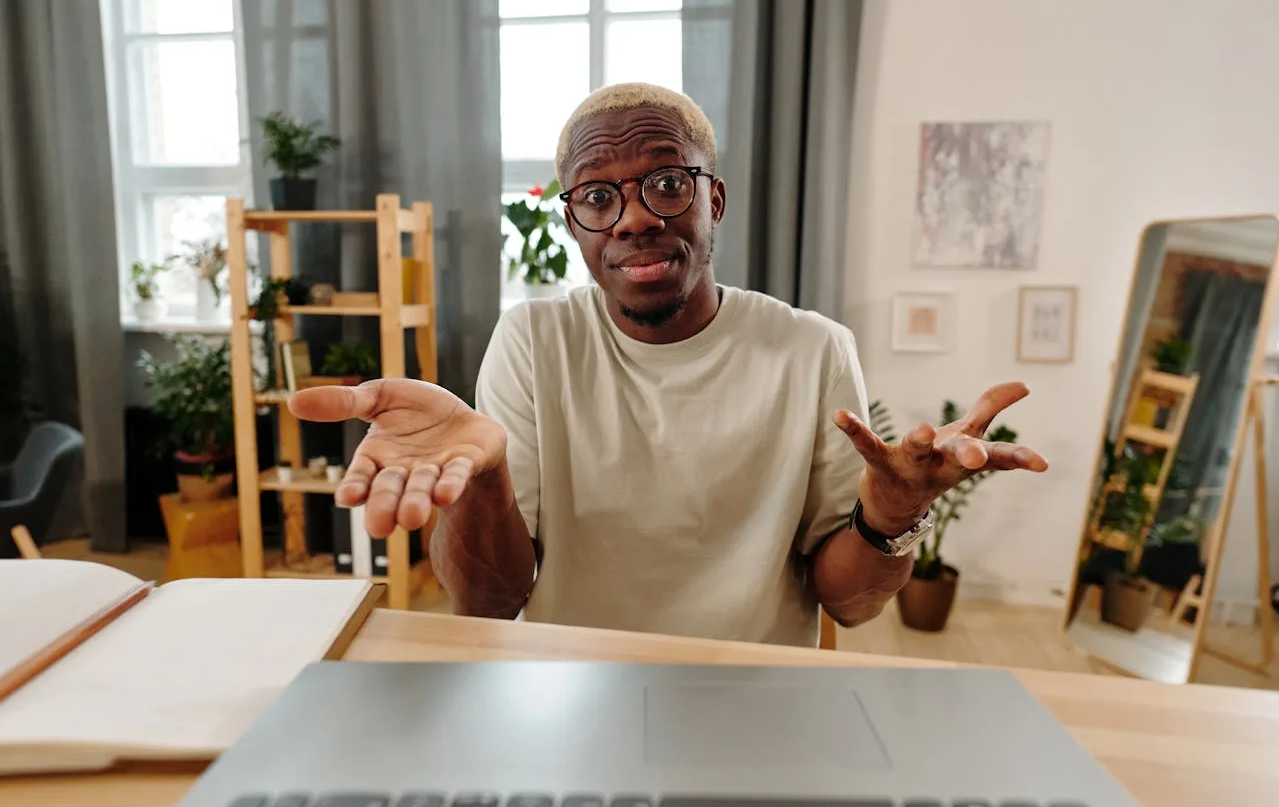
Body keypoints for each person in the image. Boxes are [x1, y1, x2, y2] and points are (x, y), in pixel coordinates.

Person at [290, 82, 1048, 646]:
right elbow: (489, 601)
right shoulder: (533, 340)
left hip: (752, 700)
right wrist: (483, 481)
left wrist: (890, 516)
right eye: (596, 196)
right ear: (573, 224)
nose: (634, 218)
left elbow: (846, 604)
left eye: (665, 183)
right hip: (568, 687)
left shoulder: (811, 348)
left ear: (711, 200)